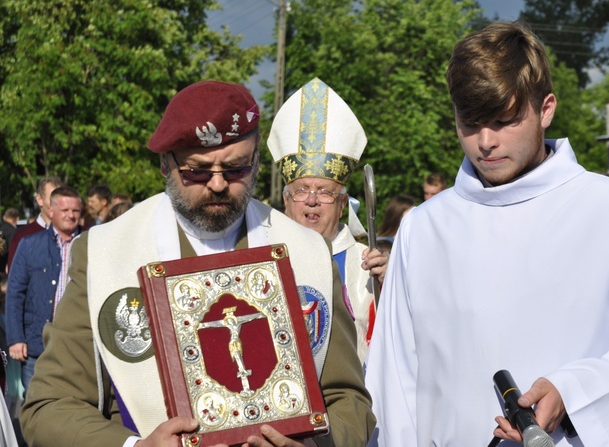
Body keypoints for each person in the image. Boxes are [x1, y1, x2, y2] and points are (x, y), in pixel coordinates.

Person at [364, 21, 609, 446]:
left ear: (545, 109)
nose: (485, 142)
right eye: (469, 124)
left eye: (504, 120)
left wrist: (573, 393)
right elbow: (395, 380)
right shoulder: (424, 228)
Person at [21, 80, 374, 447]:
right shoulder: (107, 251)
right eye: (198, 171)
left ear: (255, 161)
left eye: (236, 168)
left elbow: (348, 400)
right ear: (165, 163)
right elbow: (48, 407)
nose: (219, 184)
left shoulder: (305, 252)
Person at [268, 77, 388, 365]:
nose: (311, 200)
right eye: (301, 191)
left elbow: (397, 338)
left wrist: (389, 286)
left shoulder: (368, 264)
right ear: (286, 200)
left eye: (324, 192)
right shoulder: (262, 258)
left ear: (343, 203)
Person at [6, 186, 82, 396]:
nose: (70, 215)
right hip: (36, 344)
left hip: (77, 343)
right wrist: (16, 338)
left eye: (75, 210)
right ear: (51, 211)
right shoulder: (30, 245)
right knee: (36, 405)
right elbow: (15, 293)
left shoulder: (90, 243)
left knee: (75, 405)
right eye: (65, 210)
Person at [5, 177, 63, 275]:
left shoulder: (72, 233)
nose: (58, 204)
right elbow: (14, 280)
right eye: (53, 198)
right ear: (40, 200)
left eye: (61, 199)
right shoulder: (22, 237)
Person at [0, 208, 19, 275]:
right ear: (17, 219)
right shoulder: (13, 232)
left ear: (4, 217)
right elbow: (13, 251)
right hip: (5, 270)